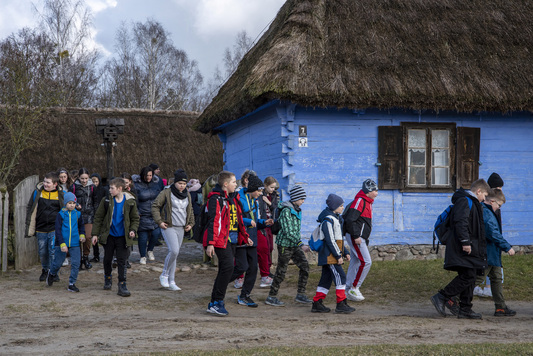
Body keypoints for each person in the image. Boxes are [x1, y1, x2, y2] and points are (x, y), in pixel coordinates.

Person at [430, 178, 490, 319]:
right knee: (468, 275)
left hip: (470, 245)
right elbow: (460, 222)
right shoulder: (464, 201)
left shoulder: (472, 202)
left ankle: (465, 309)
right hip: (462, 246)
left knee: (471, 274)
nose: (484, 199)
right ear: (479, 191)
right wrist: (465, 242)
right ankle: (442, 296)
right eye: (485, 195)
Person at [204, 171, 251, 316]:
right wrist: (210, 243)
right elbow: (214, 222)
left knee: (229, 269)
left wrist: (245, 235)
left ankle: (215, 301)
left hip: (232, 239)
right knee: (228, 267)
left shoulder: (232, 198)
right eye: (233, 182)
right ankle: (216, 301)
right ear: (225, 184)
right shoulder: (216, 199)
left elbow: (238, 220)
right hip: (220, 240)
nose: (235, 185)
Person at [92, 178, 139, 297]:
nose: (109, 190)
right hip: (109, 235)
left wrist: (133, 230)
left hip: (123, 236)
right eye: (109, 187)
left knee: (122, 260)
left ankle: (122, 284)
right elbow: (98, 217)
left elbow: (135, 218)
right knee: (107, 259)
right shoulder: (106, 200)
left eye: (112, 188)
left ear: (119, 189)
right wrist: (95, 234)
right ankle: (108, 278)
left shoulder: (130, 201)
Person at [265, 185, 311, 307]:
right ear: (295, 198)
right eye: (302, 199)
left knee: (305, 267)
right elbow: (288, 231)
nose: (303, 201)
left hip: (294, 244)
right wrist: (301, 244)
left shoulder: (296, 210)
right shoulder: (286, 211)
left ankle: (301, 294)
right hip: (285, 245)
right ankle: (271, 296)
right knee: (281, 271)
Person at [231, 174, 273, 307]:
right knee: (241, 267)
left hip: (252, 238)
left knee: (253, 268)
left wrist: (264, 222)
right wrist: (249, 221)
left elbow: (255, 221)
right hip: (241, 238)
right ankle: (221, 282)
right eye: (259, 191)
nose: (261, 193)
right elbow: (234, 219)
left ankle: (244, 296)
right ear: (253, 189)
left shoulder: (254, 200)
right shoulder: (238, 198)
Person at [311, 194, 355, 314]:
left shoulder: (335, 219)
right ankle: (341, 303)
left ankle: (317, 303)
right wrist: (337, 256)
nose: (342, 207)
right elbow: (330, 240)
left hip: (332, 254)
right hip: (329, 255)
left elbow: (338, 239)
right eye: (340, 205)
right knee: (341, 276)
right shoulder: (328, 220)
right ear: (334, 206)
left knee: (326, 279)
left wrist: (345, 252)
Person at [152, 170, 195, 291]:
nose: (182, 185)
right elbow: (155, 206)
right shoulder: (166, 192)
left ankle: (172, 281)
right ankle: (164, 274)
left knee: (174, 255)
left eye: (184, 183)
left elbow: (190, 209)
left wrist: (191, 223)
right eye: (180, 183)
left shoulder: (187, 194)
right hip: (169, 226)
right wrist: (159, 221)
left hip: (181, 227)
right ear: (175, 182)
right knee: (174, 251)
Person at [477, 189, 516, 316]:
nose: (499, 208)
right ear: (492, 201)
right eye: (499, 205)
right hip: (488, 253)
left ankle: (500, 307)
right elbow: (493, 234)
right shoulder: (487, 214)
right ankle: (452, 298)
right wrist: (507, 247)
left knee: (497, 278)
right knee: (477, 279)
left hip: (493, 254)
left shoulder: (489, 212)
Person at [26, 172, 64, 281]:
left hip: (54, 228)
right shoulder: (37, 193)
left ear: (55, 184)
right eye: (44, 181)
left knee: (53, 251)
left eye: (48, 182)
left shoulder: (61, 194)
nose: (45, 184)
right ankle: (45, 270)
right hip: (40, 228)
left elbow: (66, 210)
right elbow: (30, 208)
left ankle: (53, 273)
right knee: (42, 252)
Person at [344, 179, 378, 302]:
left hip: (359, 237)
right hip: (355, 237)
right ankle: (355, 287)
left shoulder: (368, 202)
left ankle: (347, 289)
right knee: (366, 262)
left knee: (355, 260)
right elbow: (350, 220)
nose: (376, 192)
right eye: (374, 190)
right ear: (368, 191)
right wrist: (356, 236)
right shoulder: (360, 201)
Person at [46, 192, 85, 292]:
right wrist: (62, 243)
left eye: (73, 203)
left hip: (75, 243)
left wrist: (82, 235)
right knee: (58, 263)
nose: (71, 205)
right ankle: (52, 273)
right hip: (61, 243)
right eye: (69, 203)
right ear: (65, 203)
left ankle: (72, 283)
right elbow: (58, 230)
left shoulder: (78, 214)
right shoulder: (61, 214)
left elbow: (81, 227)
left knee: (76, 263)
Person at [475, 172, 505, 297]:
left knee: (493, 270)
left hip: (493, 241)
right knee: (487, 267)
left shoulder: (493, 202)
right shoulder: (489, 203)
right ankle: (483, 287)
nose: (501, 190)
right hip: (489, 242)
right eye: (498, 188)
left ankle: (486, 288)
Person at [133, 166, 163, 264]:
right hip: (142, 214)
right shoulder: (137, 186)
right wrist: (137, 212)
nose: (149, 177)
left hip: (154, 214)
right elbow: (134, 200)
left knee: (156, 234)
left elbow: (161, 198)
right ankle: (142, 256)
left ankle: (150, 250)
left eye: (150, 175)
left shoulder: (156, 184)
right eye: (147, 175)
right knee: (143, 237)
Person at [70, 168, 96, 270]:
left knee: (88, 237)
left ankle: (86, 256)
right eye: (82, 178)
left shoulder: (93, 187)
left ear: (88, 177)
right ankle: (79, 259)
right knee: (78, 238)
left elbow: (95, 200)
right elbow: (69, 199)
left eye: (86, 178)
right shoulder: (73, 187)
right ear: (79, 178)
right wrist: (75, 205)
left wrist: (95, 213)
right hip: (77, 215)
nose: (84, 181)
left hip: (89, 215)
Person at [257, 176, 279, 287]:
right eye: (271, 187)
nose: (272, 189)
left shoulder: (274, 195)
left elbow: (276, 207)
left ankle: (268, 269)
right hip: (263, 222)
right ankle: (265, 271)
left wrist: (269, 202)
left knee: (270, 247)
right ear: (265, 186)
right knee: (265, 248)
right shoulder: (260, 195)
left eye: (274, 187)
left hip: (271, 223)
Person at [90, 173, 108, 263]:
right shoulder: (90, 190)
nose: (95, 183)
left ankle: (107, 254)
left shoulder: (104, 190)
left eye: (96, 181)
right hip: (92, 214)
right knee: (94, 235)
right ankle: (96, 255)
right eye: (93, 181)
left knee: (104, 236)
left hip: (102, 215)